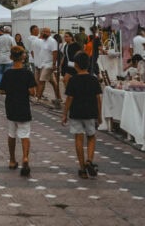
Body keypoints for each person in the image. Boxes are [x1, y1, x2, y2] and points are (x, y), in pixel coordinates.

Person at [62, 52, 103, 180]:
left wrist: (65, 114)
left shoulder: (73, 80)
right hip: (90, 112)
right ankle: (89, 160)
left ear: (76, 65)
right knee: (91, 137)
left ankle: (82, 168)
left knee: (78, 139)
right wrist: (99, 115)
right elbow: (98, 99)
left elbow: (69, 98)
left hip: (76, 113)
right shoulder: (94, 79)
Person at [0, 45, 36, 177]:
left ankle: (12, 160)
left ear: (11, 58)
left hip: (11, 106)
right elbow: (32, 91)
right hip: (24, 106)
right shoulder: (28, 73)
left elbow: (1, 90)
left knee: (11, 134)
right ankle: (25, 157)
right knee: (25, 134)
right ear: (23, 57)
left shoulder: (8, 73)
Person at [35, 28, 61, 106]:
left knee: (41, 81)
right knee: (53, 82)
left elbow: (55, 52)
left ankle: (37, 98)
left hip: (49, 65)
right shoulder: (43, 40)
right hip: (43, 64)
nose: (44, 33)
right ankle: (59, 97)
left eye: (46, 32)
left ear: (50, 33)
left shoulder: (52, 41)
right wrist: (41, 35)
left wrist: (54, 64)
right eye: (43, 32)